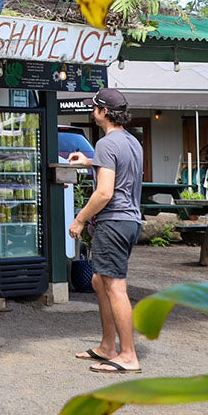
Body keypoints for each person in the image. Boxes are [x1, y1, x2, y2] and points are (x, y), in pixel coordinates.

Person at [67, 87, 144, 374]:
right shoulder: (132, 141)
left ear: (105, 112)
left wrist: (80, 219)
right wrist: (89, 162)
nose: (92, 111)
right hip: (131, 221)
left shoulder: (106, 144)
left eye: (95, 107)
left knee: (115, 287)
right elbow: (120, 170)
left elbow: (104, 193)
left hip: (113, 222)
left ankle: (128, 356)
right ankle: (107, 347)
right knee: (100, 281)